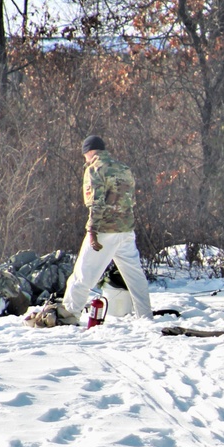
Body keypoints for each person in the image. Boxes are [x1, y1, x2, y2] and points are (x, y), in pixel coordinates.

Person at [60, 135, 153, 323]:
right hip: (126, 231)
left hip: (104, 231)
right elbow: (130, 201)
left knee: (82, 275)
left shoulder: (95, 169)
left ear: (88, 152)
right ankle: (145, 316)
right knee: (135, 277)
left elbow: (96, 202)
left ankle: (69, 314)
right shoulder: (124, 169)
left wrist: (92, 231)